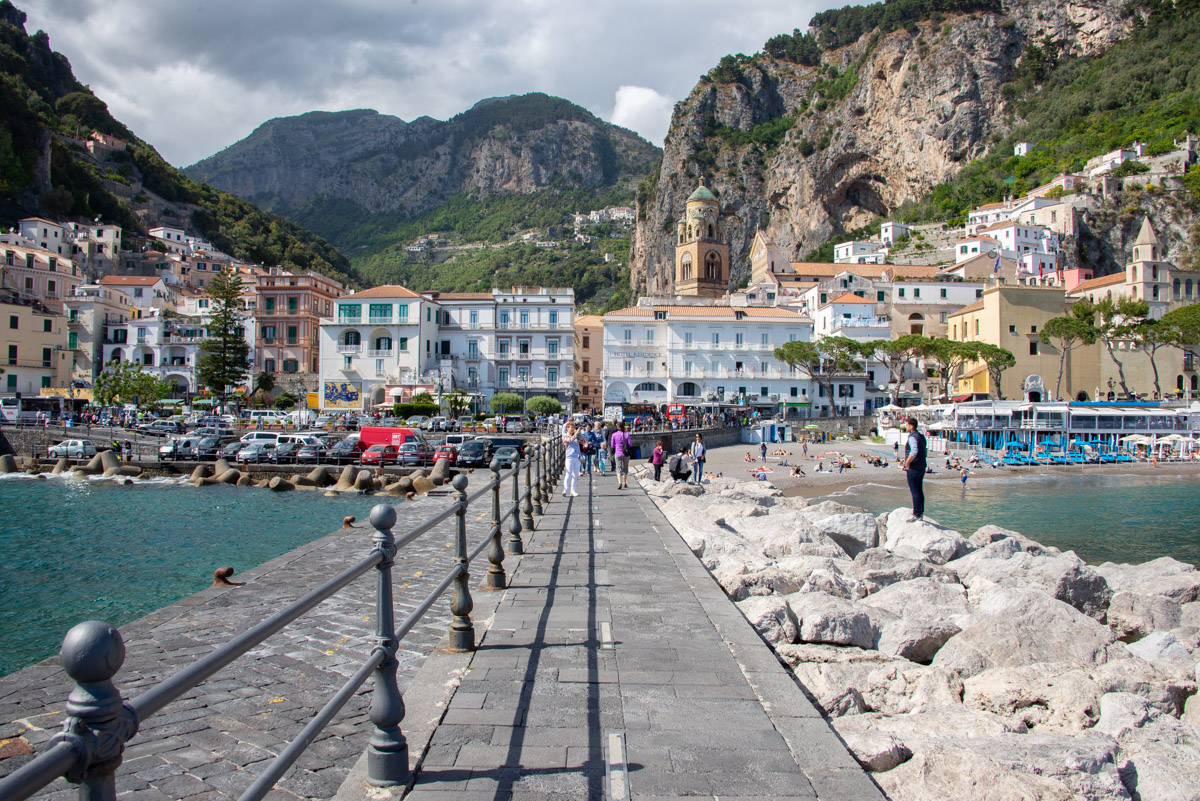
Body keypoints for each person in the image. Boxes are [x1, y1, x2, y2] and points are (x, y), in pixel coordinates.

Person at [902, 417, 927, 522]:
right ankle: (920, 512)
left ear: (911, 426)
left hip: (914, 467)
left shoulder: (913, 437)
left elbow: (914, 451)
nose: (905, 426)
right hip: (921, 466)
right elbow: (924, 448)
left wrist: (907, 462)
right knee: (919, 490)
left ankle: (916, 514)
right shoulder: (921, 436)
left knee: (915, 491)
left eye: (906, 424)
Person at [561, 422, 583, 497]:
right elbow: (570, 440)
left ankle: (573, 490)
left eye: (573, 427)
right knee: (568, 473)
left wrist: (580, 435)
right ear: (567, 428)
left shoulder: (576, 436)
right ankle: (565, 490)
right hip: (569, 456)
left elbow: (581, 442)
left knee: (575, 475)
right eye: (571, 427)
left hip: (576, 456)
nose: (572, 428)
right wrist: (576, 433)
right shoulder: (565, 436)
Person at [610, 421, 632, 489]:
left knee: (618, 468)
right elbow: (630, 444)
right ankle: (625, 483)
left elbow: (612, 445)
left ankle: (619, 482)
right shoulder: (627, 434)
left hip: (618, 453)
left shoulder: (614, 435)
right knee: (625, 468)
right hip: (626, 454)